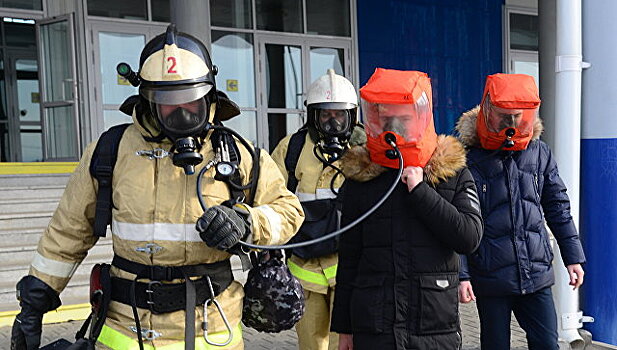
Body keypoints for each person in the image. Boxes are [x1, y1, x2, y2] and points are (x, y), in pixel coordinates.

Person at [10, 24, 304, 350]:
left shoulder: (238, 154)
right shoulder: (109, 150)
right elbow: (68, 230)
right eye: (168, 102)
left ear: (209, 94)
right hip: (123, 332)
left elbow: (288, 212)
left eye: (191, 101)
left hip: (210, 330)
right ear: (148, 101)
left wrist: (247, 222)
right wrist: (37, 296)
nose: (182, 111)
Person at [330, 68, 483, 350]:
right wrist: (344, 329)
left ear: (422, 119)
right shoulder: (363, 178)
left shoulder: (452, 173)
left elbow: (469, 237)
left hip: (432, 326)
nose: (395, 127)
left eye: (404, 119)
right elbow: (350, 258)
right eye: (387, 119)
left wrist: (421, 191)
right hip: (376, 326)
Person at [455, 73, 586, 350]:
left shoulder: (539, 153)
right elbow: (459, 222)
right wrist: (462, 275)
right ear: (489, 112)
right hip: (490, 275)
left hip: (536, 274)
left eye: (517, 115)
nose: (511, 122)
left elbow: (558, 207)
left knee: (547, 344)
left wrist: (573, 258)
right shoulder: (466, 158)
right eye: (504, 115)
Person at [271, 69, 365, 350]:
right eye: (325, 115)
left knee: (345, 343)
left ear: (352, 117)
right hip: (303, 267)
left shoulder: (366, 151)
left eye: (340, 115)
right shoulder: (292, 148)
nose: (333, 122)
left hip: (348, 269)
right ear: (313, 116)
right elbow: (271, 198)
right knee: (311, 344)